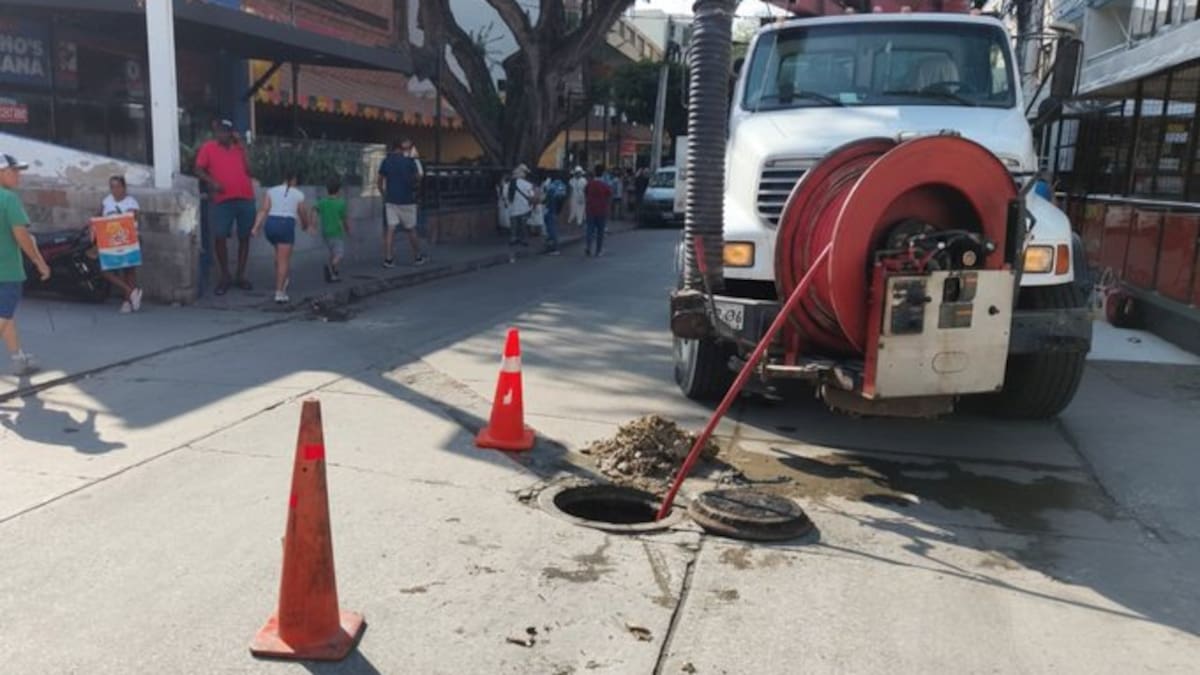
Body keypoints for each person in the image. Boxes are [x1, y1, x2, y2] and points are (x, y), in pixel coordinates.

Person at [0, 154, 50, 375]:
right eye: (14, 171)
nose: (19, 175)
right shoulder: (8, 199)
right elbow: (22, 236)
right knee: (3, 317)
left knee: (6, 317)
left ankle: (19, 358)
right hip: (6, 272)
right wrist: (39, 262)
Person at [195, 119, 256, 295]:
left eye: (223, 131)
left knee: (245, 236)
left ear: (231, 133)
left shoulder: (239, 148)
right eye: (217, 131)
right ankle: (224, 276)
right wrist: (212, 182)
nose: (219, 134)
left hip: (245, 197)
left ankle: (240, 275)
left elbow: (251, 170)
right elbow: (198, 169)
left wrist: (243, 147)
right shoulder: (209, 147)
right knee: (220, 236)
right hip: (222, 199)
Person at [251, 169, 310, 304]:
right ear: (294, 180)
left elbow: (264, 210)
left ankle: (281, 279)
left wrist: (255, 227)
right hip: (285, 224)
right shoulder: (298, 194)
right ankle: (280, 292)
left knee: (278, 254)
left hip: (271, 224)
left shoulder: (271, 191)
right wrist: (305, 225)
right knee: (284, 260)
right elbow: (302, 213)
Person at [377, 138, 428, 268]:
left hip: (391, 199)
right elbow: (419, 177)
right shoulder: (409, 162)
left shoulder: (386, 161)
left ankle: (388, 259)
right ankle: (417, 257)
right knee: (411, 229)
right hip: (407, 200)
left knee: (390, 229)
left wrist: (384, 194)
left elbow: (379, 181)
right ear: (401, 148)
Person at [97, 176, 144, 313]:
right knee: (105, 270)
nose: (115, 190)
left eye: (118, 186)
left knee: (129, 271)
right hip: (110, 241)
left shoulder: (131, 203)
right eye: (112, 187)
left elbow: (132, 219)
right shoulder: (107, 201)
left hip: (128, 239)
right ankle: (131, 292)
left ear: (124, 187)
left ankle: (127, 301)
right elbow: (99, 216)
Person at [315, 178, 350, 283]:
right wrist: (348, 229)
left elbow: (314, 209)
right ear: (338, 191)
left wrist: (312, 223)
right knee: (339, 254)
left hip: (326, 232)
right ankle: (331, 268)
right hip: (337, 233)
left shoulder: (322, 202)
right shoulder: (341, 203)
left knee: (332, 253)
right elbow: (344, 219)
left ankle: (334, 275)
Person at [584, 164, 613, 257]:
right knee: (600, 231)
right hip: (601, 210)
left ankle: (588, 247)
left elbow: (585, 192)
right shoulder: (605, 185)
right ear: (603, 173)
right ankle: (598, 250)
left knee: (590, 229)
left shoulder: (590, 184)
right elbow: (609, 195)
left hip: (591, 209)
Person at [507, 164, 536, 252]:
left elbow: (507, 195)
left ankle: (513, 238)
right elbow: (532, 195)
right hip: (524, 207)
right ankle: (524, 239)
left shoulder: (510, 183)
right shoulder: (527, 184)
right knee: (523, 225)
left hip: (513, 208)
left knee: (514, 225)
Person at [541, 171, 567, 255]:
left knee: (551, 229)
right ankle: (550, 246)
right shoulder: (562, 186)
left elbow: (547, 199)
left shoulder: (551, 186)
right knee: (552, 228)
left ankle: (554, 249)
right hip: (557, 210)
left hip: (550, 209)